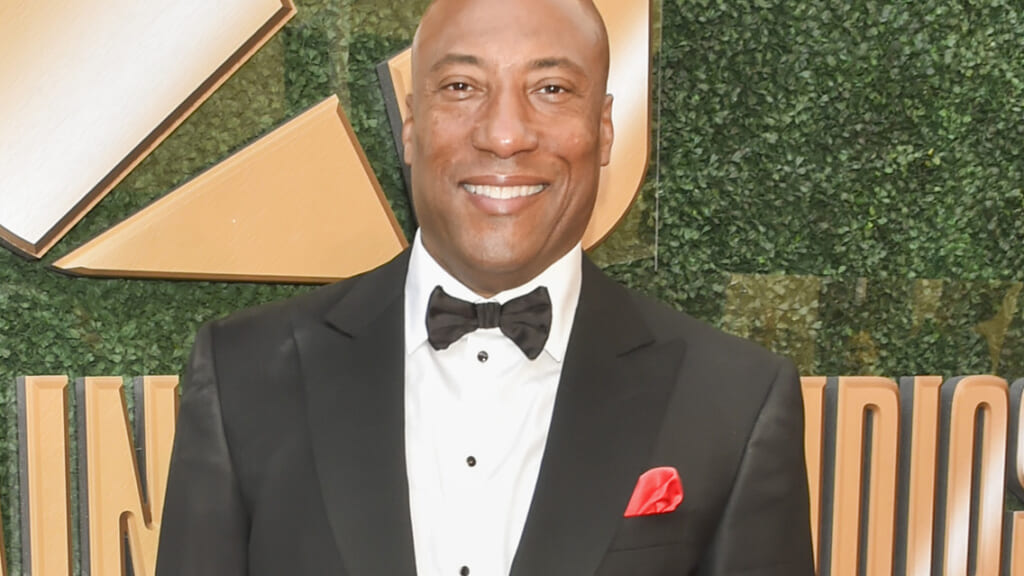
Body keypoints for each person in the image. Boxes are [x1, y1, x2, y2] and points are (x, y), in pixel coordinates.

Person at [155, 0, 815, 574]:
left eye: (550, 88)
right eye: (462, 86)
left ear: (604, 129)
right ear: (412, 125)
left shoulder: (734, 402)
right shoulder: (244, 376)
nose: (504, 135)